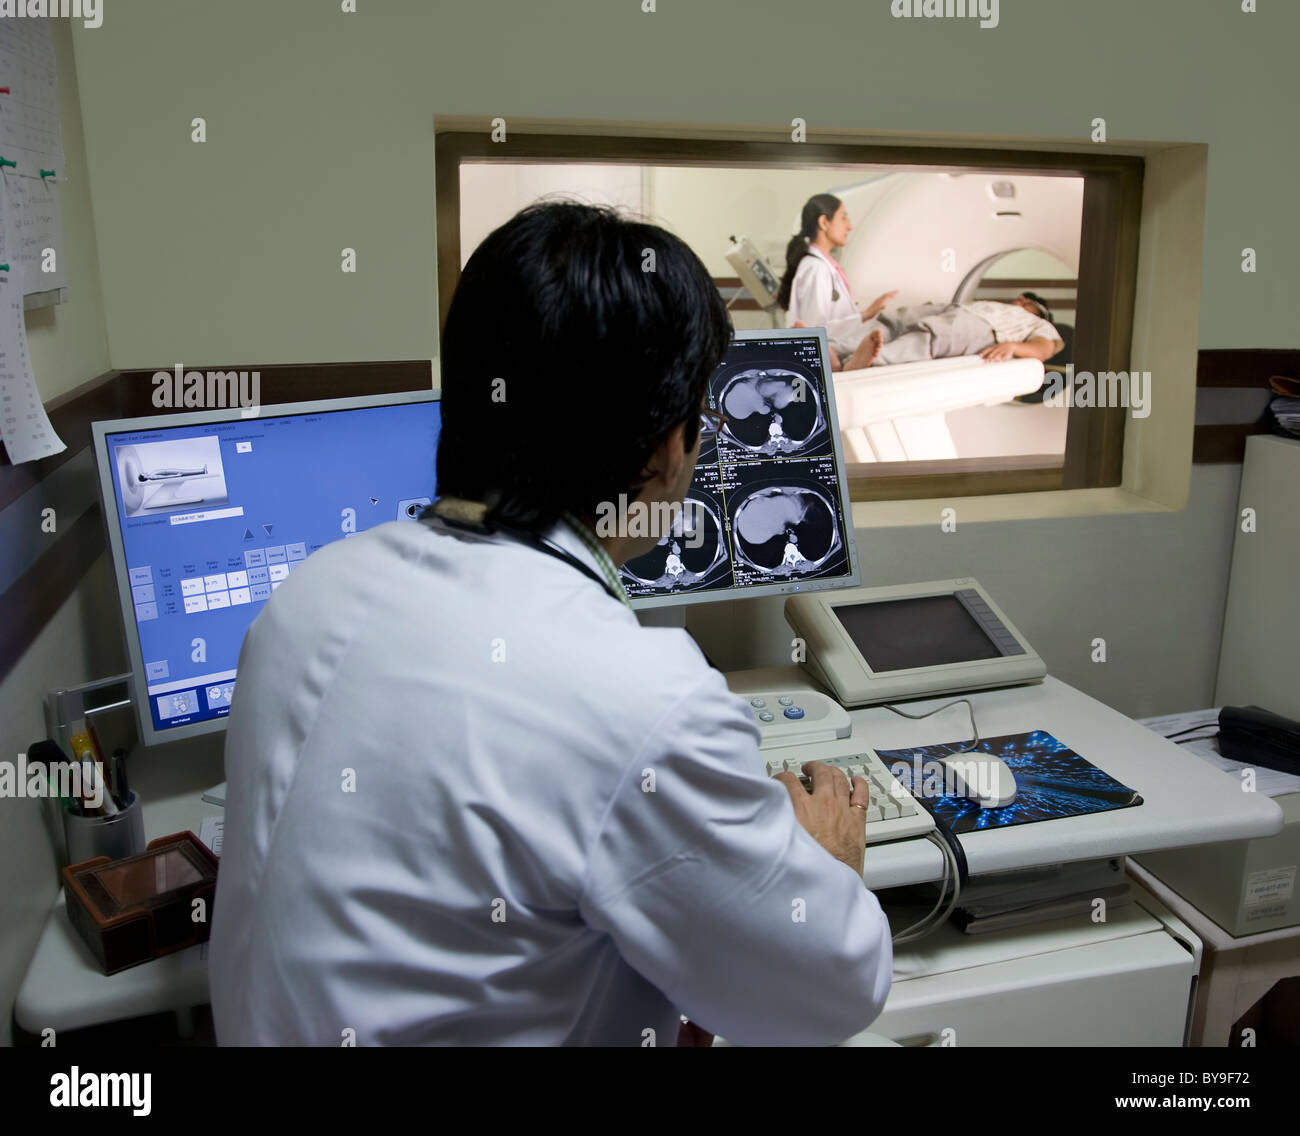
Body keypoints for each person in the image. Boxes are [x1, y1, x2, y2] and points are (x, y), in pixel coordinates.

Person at [208, 201, 893, 1047]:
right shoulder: (640, 698)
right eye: (700, 420)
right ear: (665, 447)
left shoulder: (308, 594)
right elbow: (829, 993)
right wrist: (822, 862)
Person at [776, 193, 896, 370]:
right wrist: (866, 314)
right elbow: (815, 331)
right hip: (834, 348)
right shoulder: (815, 268)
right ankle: (845, 365)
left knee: (900, 325)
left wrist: (867, 315)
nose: (849, 226)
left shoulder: (824, 266)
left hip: (840, 343)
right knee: (901, 325)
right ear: (824, 222)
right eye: (843, 218)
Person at [847, 292, 1066, 369]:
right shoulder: (998, 305)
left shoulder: (1040, 324)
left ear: (1038, 312)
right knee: (896, 319)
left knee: (930, 335)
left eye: (1028, 302)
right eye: (1021, 297)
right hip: (957, 309)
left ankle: (871, 360)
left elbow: (1044, 349)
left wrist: (1013, 346)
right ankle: (838, 351)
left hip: (983, 326)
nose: (1021, 299)